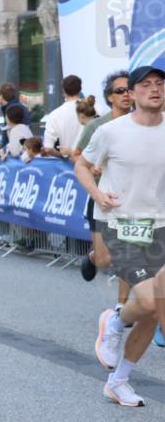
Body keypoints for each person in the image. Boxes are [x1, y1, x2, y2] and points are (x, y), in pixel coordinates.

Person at [80, 66, 165, 407]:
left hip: (161, 225)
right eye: (145, 85)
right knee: (144, 301)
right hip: (121, 224)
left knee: (156, 310)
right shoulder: (111, 132)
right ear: (131, 94)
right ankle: (114, 320)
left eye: (160, 84)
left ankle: (119, 381)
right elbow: (82, 166)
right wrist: (98, 195)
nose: (155, 89)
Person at [73, 70, 133, 297]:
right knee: (105, 259)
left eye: (129, 90)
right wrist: (93, 166)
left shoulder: (146, 123)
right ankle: (92, 257)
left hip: (132, 199)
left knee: (128, 252)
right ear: (109, 97)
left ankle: (122, 308)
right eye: (120, 91)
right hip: (102, 197)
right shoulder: (98, 126)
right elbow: (77, 158)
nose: (126, 95)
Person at [43, 75, 85, 159]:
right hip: (91, 165)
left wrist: (63, 156)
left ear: (63, 90)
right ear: (80, 89)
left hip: (67, 166)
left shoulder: (54, 115)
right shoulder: (96, 109)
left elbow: (48, 148)